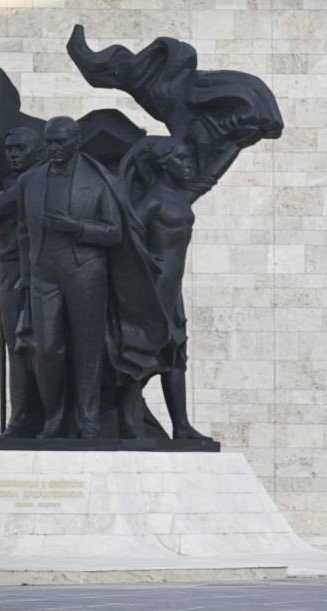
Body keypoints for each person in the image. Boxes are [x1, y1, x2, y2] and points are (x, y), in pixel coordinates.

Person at [16, 116, 123, 438]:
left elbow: (115, 231)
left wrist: (76, 227)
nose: (53, 148)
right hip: (44, 273)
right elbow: (24, 233)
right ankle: (53, 419)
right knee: (47, 348)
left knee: (87, 348)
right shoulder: (30, 181)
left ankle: (88, 419)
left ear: (77, 141)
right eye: (49, 142)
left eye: (60, 141)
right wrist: (26, 276)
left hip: (85, 271)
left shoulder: (99, 179)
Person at [123, 136, 216, 440]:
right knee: (143, 352)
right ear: (164, 164)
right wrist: (147, 263)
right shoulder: (152, 199)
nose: (189, 165)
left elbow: (211, 177)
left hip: (172, 290)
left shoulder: (181, 196)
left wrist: (240, 141)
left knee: (175, 355)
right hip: (154, 288)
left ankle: (182, 426)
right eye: (182, 159)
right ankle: (130, 423)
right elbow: (127, 235)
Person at [0, 127, 44, 437]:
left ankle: (49, 417)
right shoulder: (17, 184)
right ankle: (21, 418)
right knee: (17, 345)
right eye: (10, 149)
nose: (13, 155)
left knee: (44, 345)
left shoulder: (43, 182)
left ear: (37, 152)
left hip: (45, 273)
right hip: (12, 271)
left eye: (20, 149)